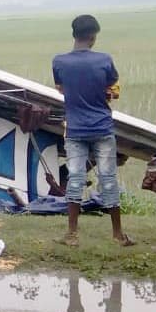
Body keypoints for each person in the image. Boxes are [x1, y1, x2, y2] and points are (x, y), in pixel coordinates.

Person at [51, 15, 132, 247]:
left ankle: (72, 234)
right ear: (94, 36)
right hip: (102, 127)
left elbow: (60, 89)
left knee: (75, 179)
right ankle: (118, 234)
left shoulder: (59, 62)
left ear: (74, 34)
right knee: (108, 179)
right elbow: (112, 87)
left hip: (75, 128)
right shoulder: (104, 60)